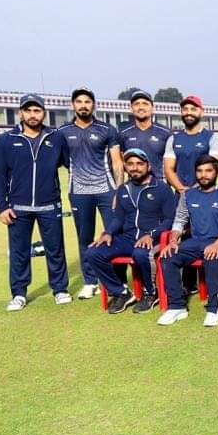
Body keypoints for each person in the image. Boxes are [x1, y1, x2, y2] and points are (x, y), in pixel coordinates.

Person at [0, 93, 72, 311]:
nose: (32, 114)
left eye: (36, 110)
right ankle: (19, 293)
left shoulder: (56, 138)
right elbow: (0, 176)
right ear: (20, 113)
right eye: (28, 110)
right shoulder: (6, 140)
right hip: (18, 208)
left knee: (55, 249)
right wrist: (2, 207)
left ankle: (60, 289)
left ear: (43, 113)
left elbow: (69, 165)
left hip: (49, 205)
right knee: (19, 252)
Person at [84, 148, 176, 314]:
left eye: (140, 163)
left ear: (148, 166)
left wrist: (151, 234)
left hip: (152, 239)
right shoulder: (122, 190)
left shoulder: (162, 189)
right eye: (130, 164)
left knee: (141, 254)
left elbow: (170, 219)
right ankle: (121, 292)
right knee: (92, 253)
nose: (135, 167)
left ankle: (150, 293)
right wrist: (108, 232)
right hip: (127, 239)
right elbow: (118, 218)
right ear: (125, 166)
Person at [157, 155, 218, 327]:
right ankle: (177, 306)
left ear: (216, 173)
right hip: (194, 242)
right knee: (168, 257)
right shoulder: (188, 195)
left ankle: (214, 308)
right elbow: (179, 221)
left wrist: (217, 244)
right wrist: (173, 240)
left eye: (208, 171)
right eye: (200, 171)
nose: (204, 175)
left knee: (212, 256)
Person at [59, 87, 125, 300]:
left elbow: (117, 161)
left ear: (93, 105)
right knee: (84, 237)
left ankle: (117, 279)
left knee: (113, 233)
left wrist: (119, 189)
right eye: (79, 101)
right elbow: (62, 161)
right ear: (73, 105)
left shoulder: (107, 129)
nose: (83, 105)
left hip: (106, 190)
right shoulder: (63, 132)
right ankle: (90, 282)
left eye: (87, 101)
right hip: (78, 192)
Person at [162, 95, 218, 193]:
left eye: (193, 109)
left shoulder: (213, 138)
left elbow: (212, 167)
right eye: (185, 109)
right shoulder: (173, 139)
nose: (189, 112)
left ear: (201, 112)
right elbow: (168, 169)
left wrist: (194, 191)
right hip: (180, 195)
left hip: (205, 194)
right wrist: (181, 189)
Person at [119, 89, 171, 180]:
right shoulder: (123, 134)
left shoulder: (166, 133)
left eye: (145, 103)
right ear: (131, 108)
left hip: (159, 185)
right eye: (136, 104)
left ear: (153, 108)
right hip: (134, 185)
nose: (141, 107)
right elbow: (121, 161)